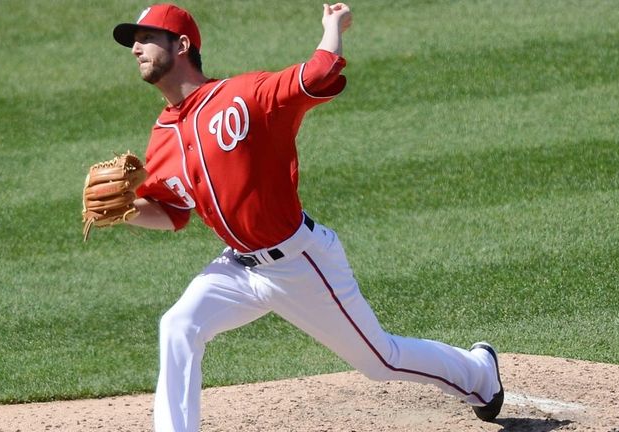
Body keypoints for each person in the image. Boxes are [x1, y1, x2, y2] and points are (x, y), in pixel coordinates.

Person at [111, 3, 504, 431]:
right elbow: (172, 213)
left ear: (182, 44)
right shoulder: (162, 135)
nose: (135, 48)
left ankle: (479, 373)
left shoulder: (245, 95)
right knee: (178, 325)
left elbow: (318, 74)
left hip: (300, 262)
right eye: (133, 40)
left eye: (146, 37)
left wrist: (332, 27)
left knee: (380, 360)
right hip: (237, 269)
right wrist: (127, 211)